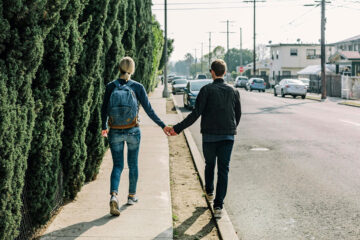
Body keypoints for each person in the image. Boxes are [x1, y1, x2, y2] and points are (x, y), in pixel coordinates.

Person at [169, 59, 241, 218]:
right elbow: (238, 115)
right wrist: (231, 128)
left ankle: (209, 191)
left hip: (209, 136)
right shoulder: (234, 91)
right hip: (228, 136)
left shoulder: (206, 90)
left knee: (210, 164)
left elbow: (195, 114)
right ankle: (218, 206)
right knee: (224, 170)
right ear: (225, 72)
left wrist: (177, 128)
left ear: (212, 72)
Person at [101, 56, 171, 216]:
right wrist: (162, 125)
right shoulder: (137, 87)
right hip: (133, 130)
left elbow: (104, 109)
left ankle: (114, 195)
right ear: (132, 70)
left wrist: (103, 127)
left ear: (119, 69)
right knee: (133, 164)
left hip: (115, 130)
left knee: (117, 165)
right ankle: (132, 196)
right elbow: (149, 110)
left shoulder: (111, 86)